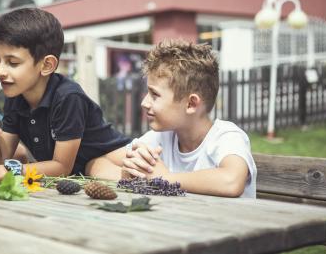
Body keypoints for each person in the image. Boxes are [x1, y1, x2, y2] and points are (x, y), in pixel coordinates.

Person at [0, 7, 130, 187]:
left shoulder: (67, 97)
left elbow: (61, 167)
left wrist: (9, 170)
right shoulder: (17, 97)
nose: (0, 71)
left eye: (12, 62)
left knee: (99, 169)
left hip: (120, 160)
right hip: (85, 176)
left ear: (47, 65)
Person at [92, 39, 257, 197]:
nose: (144, 103)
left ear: (191, 104)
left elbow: (232, 181)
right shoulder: (160, 138)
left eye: (154, 95)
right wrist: (127, 177)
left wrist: (166, 178)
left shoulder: (226, 136)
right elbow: (97, 164)